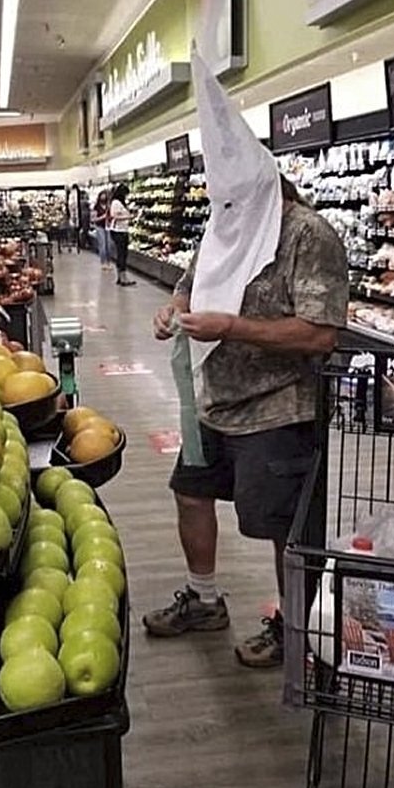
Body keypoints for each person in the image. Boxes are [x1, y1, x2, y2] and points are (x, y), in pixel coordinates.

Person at [142, 48, 349, 669]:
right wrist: (172, 307)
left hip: (279, 409)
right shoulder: (224, 224)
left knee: (281, 523)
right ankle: (205, 598)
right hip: (214, 399)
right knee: (190, 492)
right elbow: (189, 280)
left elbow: (320, 335)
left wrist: (233, 324)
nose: (222, 210)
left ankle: (297, 631)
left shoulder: (309, 235)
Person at [108, 183, 136, 287]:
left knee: (122, 254)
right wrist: (128, 217)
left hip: (122, 230)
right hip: (118, 231)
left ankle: (121, 277)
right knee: (122, 255)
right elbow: (114, 216)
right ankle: (123, 278)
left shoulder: (120, 202)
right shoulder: (115, 203)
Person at [93, 189, 114, 270]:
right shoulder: (96, 207)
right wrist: (103, 217)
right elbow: (94, 219)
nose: (104, 197)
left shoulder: (109, 206)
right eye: (102, 195)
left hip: (108, 226)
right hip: (100, 227)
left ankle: (109, 262)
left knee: (109, 245)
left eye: (105, 195)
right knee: (103, 245)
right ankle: (103, 262)